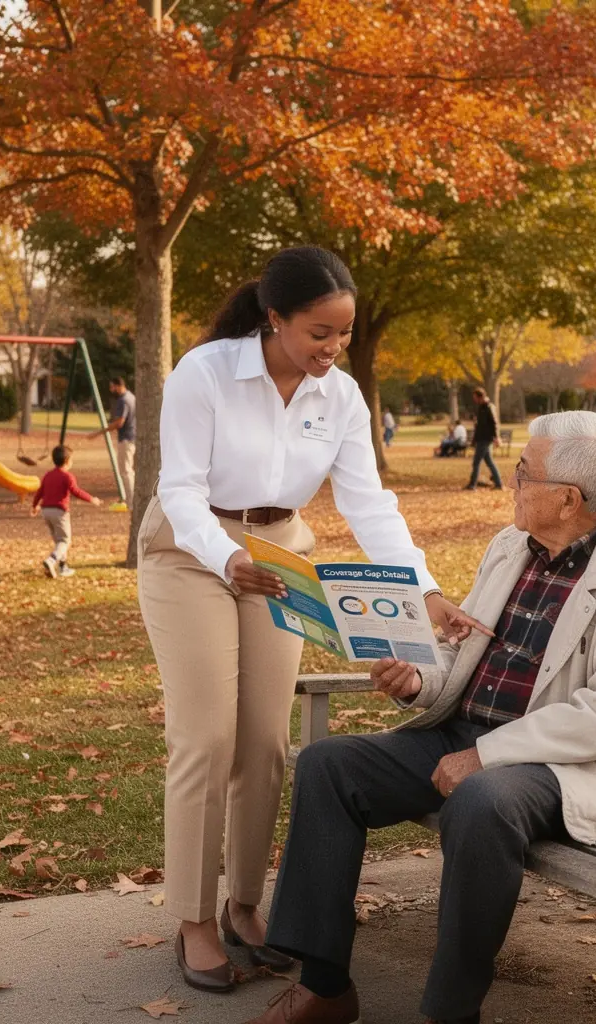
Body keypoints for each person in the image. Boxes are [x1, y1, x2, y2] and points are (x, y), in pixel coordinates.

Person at [246, 411, 596, 1024]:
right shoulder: (513, 545)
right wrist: (418, 680)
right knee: (330, 765)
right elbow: (464, 650)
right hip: (470, 734)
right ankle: (325, 988)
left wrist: (486, 755)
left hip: (571, 762)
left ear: (569, 499)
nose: (512, 481)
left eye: (524, 473)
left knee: (482, 802)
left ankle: (450, 1011)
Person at [136, 246, 488, 997]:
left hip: (279, 555)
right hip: (190, 552)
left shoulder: (342, 396)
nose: (333, 348)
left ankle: (243, 907)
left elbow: (368, 503)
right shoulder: (205, 372)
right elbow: (181, 488)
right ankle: (194, 920)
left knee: (264, 742)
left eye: (344, 334)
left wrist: (425, 589)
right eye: (319, 333)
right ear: (275, 319)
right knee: (207, 737)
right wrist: (224, 557)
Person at [30, 445, 103, 578]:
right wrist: (91, 499)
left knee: (59, 541)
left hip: (46, 511)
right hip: (59, 512)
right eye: (72, 459)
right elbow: (76, 491)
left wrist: (34, 506)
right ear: (67, 461)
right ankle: (51, 560)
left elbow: (39, 492)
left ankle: (63, 567)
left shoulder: (48, 475)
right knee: (65, 541)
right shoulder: (67, 476)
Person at [89, 377, 136, 508]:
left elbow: (119, 422)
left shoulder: (123, 400)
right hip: (134, 437)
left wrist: (99, 432)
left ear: (118, 386)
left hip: (126, 439)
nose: (111, 390)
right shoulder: (132, 397)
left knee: (126, 471)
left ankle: (131, 503)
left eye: (112, 387)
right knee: (131, 471)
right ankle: (132, 500)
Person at [463, 388, 502, 490]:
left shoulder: (489, 407)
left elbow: (494, 423)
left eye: (475, 398)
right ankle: (498, 484)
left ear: (480, 397)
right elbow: (479, 425)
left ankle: (472, 484)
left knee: (476, 462)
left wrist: (496, 437)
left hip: (485, 439)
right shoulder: (481, 407)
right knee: (489, 462)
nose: (474, 400)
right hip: (481, 438)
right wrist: (474, 440)